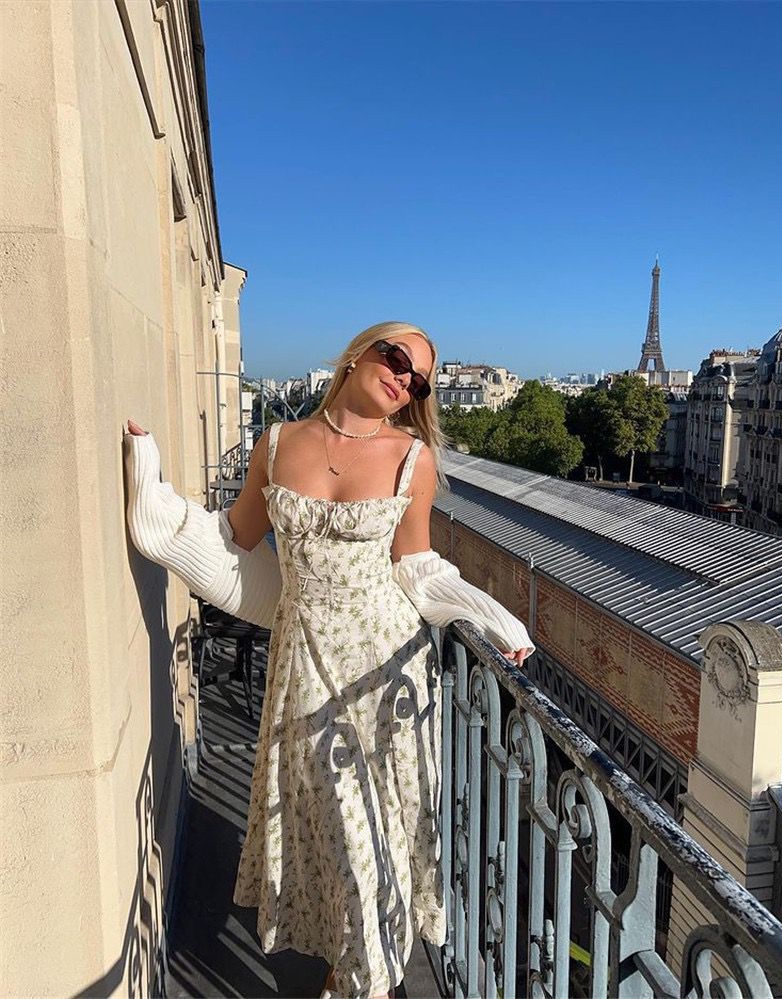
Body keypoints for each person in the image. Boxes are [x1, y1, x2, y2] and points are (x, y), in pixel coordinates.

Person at [123, 321, 534, 999]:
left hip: (387, 676)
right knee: (336, 836)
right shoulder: (276, 444)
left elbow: (417, 568)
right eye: (396, 357)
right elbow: (234, 542)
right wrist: (154, 496)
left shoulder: (412, 458)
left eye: (419, 380)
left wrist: (490, 615)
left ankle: (361, 979)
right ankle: (354, 969)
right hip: (304, 673)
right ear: (357, 353)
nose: (404, 378)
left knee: (376, 839)